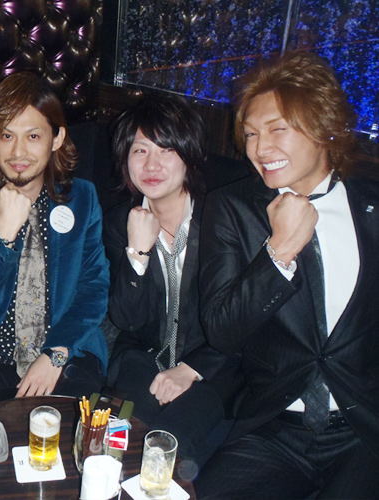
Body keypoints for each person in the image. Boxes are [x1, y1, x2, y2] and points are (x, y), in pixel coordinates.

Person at [195, 51, 379, 498]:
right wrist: (277, 253)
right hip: (275, 426)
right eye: (251, 133)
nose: (260, 148)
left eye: (277, 129)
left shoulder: (372, 205)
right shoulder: (232, 208)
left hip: (363, 431)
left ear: (324, 127)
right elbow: (222, 331)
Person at [0, 72, 109, 424]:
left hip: (66, 347)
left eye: (33, 136)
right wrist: (3, 234)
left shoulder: (81, 198)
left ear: (56, 138)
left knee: (71, 417)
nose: (18, 152)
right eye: (6, 135)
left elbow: (93, 290)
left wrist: (55, 354)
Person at [103, 94, 240, 472]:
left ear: (189, 156)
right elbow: (126, 319)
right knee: (112, 443)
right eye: (140, 150)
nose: (151, 165)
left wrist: (189, 369)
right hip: (142, 358)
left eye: (166, 150)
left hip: (211, 369)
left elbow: (242, 318)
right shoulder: (119, 222)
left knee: (164, 455)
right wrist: (138, 253)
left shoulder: (224, 219)